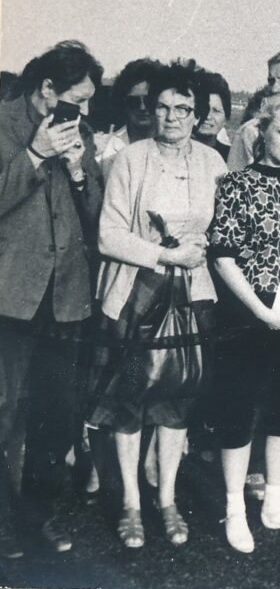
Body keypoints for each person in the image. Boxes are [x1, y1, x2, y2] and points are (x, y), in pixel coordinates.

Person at [88, 60, 226, 549]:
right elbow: (109, 235)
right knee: (129, 402)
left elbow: (223, 230)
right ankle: (130, 503)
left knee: (176, 401)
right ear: (151, 110)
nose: (171, 117)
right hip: (136, 292)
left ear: (197, 115)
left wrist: (201, 247)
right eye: (163, 107)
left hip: (194, 296)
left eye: (183, 109)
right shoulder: (129, 159)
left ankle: (166, 499)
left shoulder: (213, 162)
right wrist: (166, 253)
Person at [208, 92, 280, 553]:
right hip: (247, 312)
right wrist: (260, 311)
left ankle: (275, 504)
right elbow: (222, 256)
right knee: (238, 409)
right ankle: (235, 507)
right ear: (261, 132)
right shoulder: (237, 183)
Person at [0, 40, 104, 557]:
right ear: (47, 89)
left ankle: (35, 520)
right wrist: (37, 155)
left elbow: (94, 221)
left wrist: (82, 171)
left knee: (57, 416)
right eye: (78, 100)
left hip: (65, 301)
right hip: (9, 299)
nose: (83, 112)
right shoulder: (1, 124)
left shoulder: (79, 133)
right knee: (2, 414)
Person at [95, 58, 161, 175]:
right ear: (123, 103)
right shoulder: (105, 151)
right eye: (133, 101)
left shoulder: (175, 146)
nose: (142, 107)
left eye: (149, 100)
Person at [193, 69, 232, 161]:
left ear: (226, 118)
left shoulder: (231, 156)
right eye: (202, 108)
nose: (207, 116)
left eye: (216, 111)